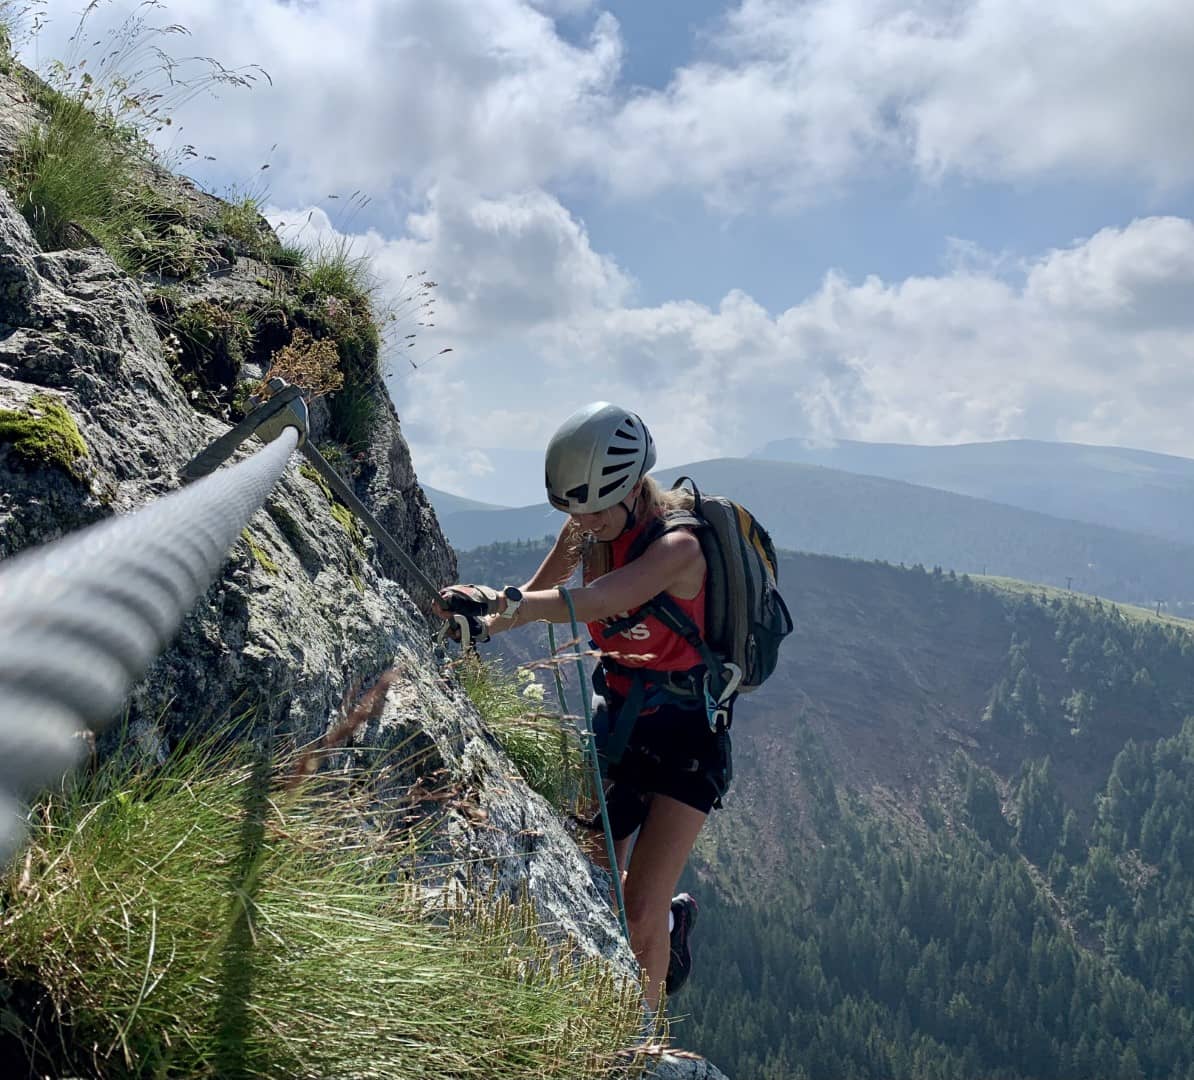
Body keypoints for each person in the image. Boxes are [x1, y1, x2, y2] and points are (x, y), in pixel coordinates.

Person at [433, 402, 732, 1013]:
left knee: (642, 905)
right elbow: (542, 591)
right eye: (572, 510)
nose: (583, 522)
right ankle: (669, 932)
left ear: (629, 489)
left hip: (689, 738)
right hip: (619, 721)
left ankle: (641, 1045)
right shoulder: (586, 529)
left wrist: (501, 600)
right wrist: (485, 620)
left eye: (594, 509)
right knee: (598, 887)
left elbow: (591, 602)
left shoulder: (679, 547)